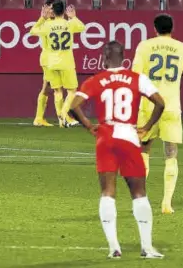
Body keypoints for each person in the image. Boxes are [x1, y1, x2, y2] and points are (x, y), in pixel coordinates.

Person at [69, 41, 165, 259]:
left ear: (104, 57)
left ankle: (114, 247)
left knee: (107, 192)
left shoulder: (97, 80)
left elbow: (74, 106)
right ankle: (147, 248)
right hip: (129, 135)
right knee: (139, 193)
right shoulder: (136, 78)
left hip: (105, 135)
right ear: (124, 58)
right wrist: (146, 128)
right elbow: (160, 103)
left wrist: (88, 125)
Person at [132, 14, 183, 214]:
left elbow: (135, 76)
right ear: (172, 28)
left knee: (144, 151)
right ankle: (166, 203)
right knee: (171, 153)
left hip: (148, 105)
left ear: (154, 28)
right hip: (170, 106)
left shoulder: (144, 46)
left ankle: (141, 202)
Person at [30, 0, 84, 127]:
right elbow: (82, 27)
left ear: (53, 10)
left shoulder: (47, 24)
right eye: (47, 8)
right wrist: (73, 17)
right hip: (53, 59)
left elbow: (33, 31)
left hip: (51, 61)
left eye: (50, 8)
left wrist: (41, 19)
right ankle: (58, 116)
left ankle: (60, 118)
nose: (49, 11)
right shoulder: (66, 23)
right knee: (53, 88)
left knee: (54, 89)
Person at [32, 0, 55, 127]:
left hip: (54, 59)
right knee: (48, 87)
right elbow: (33, 30)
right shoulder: (45, 23)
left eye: (53, 8)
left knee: (49, 88)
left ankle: (39, 118)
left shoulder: (54, 22)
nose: (52, 11)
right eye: (50, 8)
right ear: (45, 8)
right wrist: (42, 18)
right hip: (48, 59)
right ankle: (39, 118)